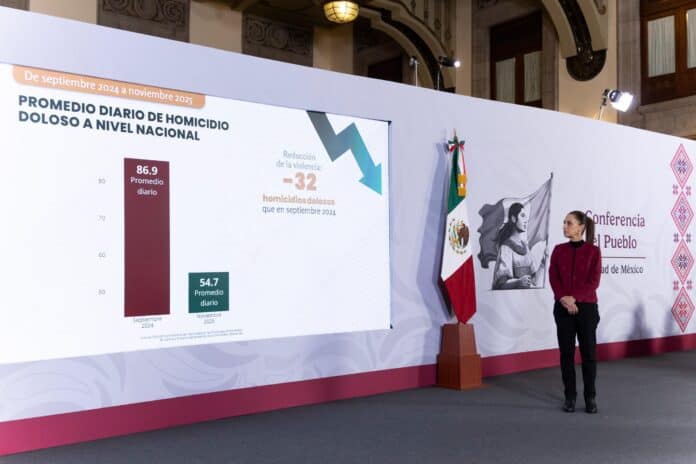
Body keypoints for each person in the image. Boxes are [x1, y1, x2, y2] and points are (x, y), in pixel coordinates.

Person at [549, 210, 601, 414]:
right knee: (566, 354)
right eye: (564, 222)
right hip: (562, 308)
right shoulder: (558, 250)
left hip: (586, 309)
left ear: (581, 227)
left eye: (569, 223)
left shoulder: (593, 252)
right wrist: (563, 297)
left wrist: (574, 298)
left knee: (589, 354)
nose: (564, 226)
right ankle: (569, 397)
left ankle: (590, 397)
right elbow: (553, 277)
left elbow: (593, 282)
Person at [492, 202, 547, 289]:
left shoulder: (525, 247)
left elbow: (534, 282)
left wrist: (542, 264)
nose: (526, 220)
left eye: (526, 217)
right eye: (522, 216)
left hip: (527, 296)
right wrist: (518, 282)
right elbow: (501, 284)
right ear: (513, 219)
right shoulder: (506, 248)